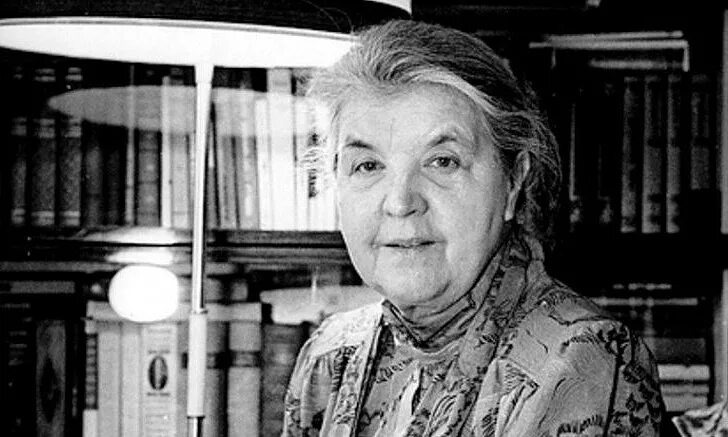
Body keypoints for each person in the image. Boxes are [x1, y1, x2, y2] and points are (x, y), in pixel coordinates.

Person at [282, 19, 663, 436]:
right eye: (368, 165)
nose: (400, 203)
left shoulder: (582, 362)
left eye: (443, 162)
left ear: (513, 181)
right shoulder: (330, 358)